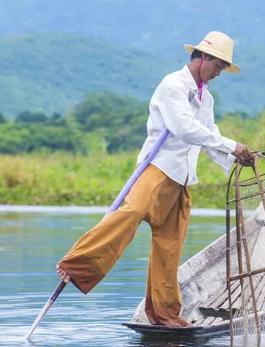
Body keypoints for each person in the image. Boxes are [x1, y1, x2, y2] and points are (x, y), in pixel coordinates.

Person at [55, 31, 252, 327]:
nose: (218, 72)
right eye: (218, 65)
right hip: (157, 169)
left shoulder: (205, 97)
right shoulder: (173, 85)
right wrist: (230, 144)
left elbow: (208, 138)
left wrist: (234, 157)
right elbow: (184, 128)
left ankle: (165, 314)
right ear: (203, 57)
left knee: (169, 247)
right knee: (131, 213)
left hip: (182, 178)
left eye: (223, 68)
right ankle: (77, 264)